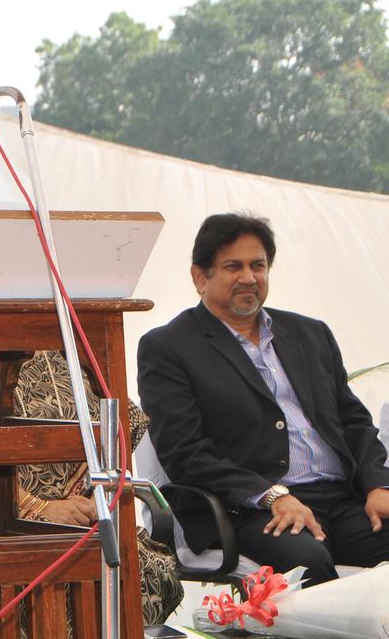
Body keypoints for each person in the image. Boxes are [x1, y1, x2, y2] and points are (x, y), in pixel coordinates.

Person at [138, 213, 389, 587]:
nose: (248, 277)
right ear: (200, 277)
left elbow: (353, 421)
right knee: (308, 565)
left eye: (258, 266)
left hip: (342, 499)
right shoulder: (168, 347)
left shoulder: (309, 334)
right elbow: (185, 453)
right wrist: (272, 496)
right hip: (248, 508)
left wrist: (378, 485)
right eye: (233, 267)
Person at [0, 351, 183, 635]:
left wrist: (94, 500)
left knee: (142, 567)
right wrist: (40, 508)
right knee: (48, 575)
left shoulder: (75, 352)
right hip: (11, 523)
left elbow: (118, 438)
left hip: (87, 516)